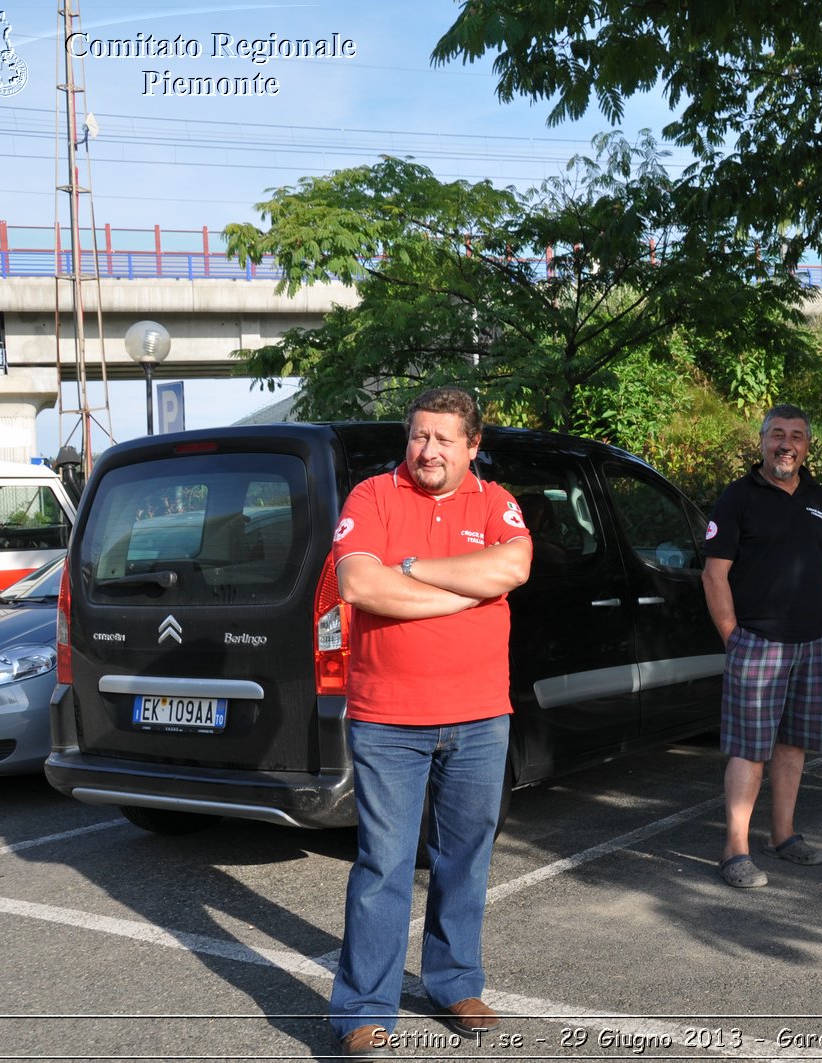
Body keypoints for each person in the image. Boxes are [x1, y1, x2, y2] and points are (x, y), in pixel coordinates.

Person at [327, 387, 533, 1058]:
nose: (428, 450)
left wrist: (412, 569)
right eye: (419, 436)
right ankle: (363, 1007)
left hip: (480, 717)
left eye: (444, 439)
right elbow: (359, 583)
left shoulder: (495, 501)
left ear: (473, 445)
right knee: (384, 863)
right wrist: (465, 592)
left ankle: (453, 982)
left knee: (465, 857)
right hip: (389, 718)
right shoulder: (372, 498)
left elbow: (514, 564)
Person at [703, 404, 822, 889]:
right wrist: (733, 637)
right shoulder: (737, 498)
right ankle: (735, 850)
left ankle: (783, 836)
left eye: (797, 436)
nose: (787, 444)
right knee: (750, 749)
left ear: (807, 446)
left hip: (816, 643)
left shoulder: (819, 497)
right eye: (778, 435)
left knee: (793, 747)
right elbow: (714, 574)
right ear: (762, 441)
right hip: (758, 643)